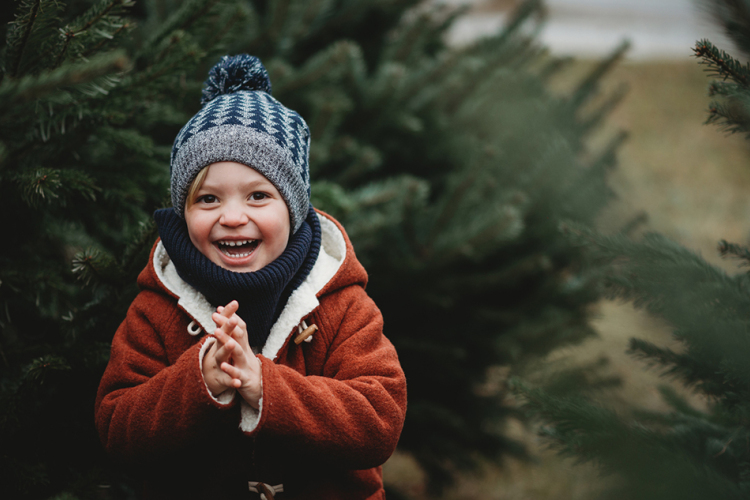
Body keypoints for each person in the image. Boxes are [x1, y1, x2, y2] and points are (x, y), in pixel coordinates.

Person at [95, 54, 407, 500]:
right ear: (183, 213)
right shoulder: (157, 306)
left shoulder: (340, 303)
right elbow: (118, 428)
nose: (233, 216)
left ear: (293, 209)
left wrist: (266, 386)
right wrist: (198, 379)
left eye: (259, 195)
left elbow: (379, 420)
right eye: (207, 199)